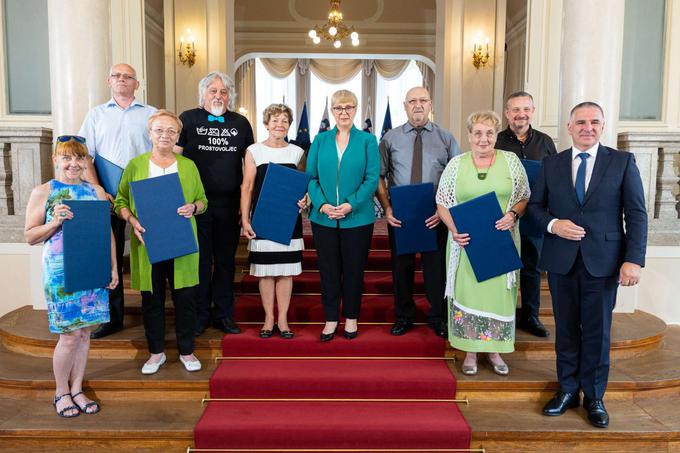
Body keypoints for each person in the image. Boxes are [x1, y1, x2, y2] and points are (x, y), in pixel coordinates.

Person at [528, 102, 647, 428]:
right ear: (569, 127)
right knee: (565, 329)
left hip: (604, 262)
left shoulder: (621, 162)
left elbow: (636, 213)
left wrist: (633, 260)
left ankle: (594, 396)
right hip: (561, 261)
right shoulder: (551, 164)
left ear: (602, 126)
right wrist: (554, 225)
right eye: (580, 122)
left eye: (594, 122)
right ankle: (567, 389)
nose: (587, 127)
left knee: (597, 332)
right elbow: (535, 208)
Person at [24, 136, 118, 417]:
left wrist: (112, 267)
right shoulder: (44, 192)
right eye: (67, 158)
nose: (73, 164)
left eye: (79, 158)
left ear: (86, 162)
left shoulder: (97, 192)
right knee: (68, 336)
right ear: (56, 160)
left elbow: (107, 234)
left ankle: (77, 388)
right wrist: (54, 222)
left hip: (92, 268)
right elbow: (29, 236)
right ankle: (61, 392)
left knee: (85, 333)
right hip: (60, 273)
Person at [436, 111, 530, 376]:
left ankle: (495, 349)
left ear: (496, 135)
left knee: (498, 296)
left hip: (501, 242)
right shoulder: (456, 164)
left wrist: (512, 215)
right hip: (465, 244)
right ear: (469, 136)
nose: (483, 138)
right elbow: (442, 203)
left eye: (489, 133)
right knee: (469, 293)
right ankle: (470, 351)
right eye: (477, 133)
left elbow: (524, 197)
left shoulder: (511, 162)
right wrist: (454, 230)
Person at [115, 110, 208, 374]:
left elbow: (203, 200)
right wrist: (132, 221)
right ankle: (156, 353)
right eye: (159, 130)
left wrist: (194, 207)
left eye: (171, 131)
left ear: (178, 135)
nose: (165, 135)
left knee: (185, 300)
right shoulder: (136, 165)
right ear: (149, 133)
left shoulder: (188, 166)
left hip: (181, 244)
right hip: (148, 245)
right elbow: (120, 201)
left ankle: (187, 351)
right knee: (152, 301)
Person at [79, 63, 157, 339]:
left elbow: (159, 152)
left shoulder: (151, 114)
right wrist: (99, 189)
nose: (122, 80)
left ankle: (153, 310)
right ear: (108, 80)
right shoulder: (96, 114)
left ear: (137, 83)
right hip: (107, 194)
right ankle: (113, 318)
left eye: (128, 77)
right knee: (108, 255)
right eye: (117, 76)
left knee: (150, 251)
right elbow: (84, 154)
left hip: (144, 192)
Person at [376, 86, 461, 338]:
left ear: (430, 104)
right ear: (405, 106)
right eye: (412, 101)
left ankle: (438, 317)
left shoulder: (446, 138)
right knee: (401, 269)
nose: (417, 105)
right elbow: (379, 176)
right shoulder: (390, 138)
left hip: (435, 214)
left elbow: (456, 176)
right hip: (401, 214)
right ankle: (404, 316)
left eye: (423, 100)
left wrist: (443, 209)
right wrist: (387, 207)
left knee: (436, 270)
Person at [176, 72, 254, 336]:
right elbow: (174, 160)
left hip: (229, 205)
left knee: (225, 261)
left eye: (223, 91)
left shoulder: (241, 123)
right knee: (199, 260)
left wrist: (250, 206)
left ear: (230, 95)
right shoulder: (188, 119)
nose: (218, 95)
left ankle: (223, 314)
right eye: (213, 91)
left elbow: (251, 165)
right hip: (196, 205)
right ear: (203, 94)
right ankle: (199, 314)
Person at [307, 89, 379, 341]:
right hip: (323, 218)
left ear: (356, 110)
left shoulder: (368, 141)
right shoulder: (320, 140)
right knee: (328, 270)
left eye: (349, 107)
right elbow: (311, 178)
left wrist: (351, 204)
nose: (344, 112)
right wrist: (322, 205)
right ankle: (329, 319)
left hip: (358, 218)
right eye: (339, 108)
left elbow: (372, 179)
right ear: (332, 111)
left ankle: (350, 318)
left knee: (353, 270)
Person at [240, 104, 306, 339]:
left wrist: (305, 199)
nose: (280, 124)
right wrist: (245, 220)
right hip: (262, 220)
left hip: (288, 220)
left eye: (284, 121)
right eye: (275, 120)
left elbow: (302, 186)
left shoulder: (297, 152)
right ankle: (268, 318)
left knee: (286, 273)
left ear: (289, 125)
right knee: (266, 273)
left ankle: (283, 319)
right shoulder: (254, 151)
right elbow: (247, 187)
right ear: (266, 124)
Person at [496, 91, 557, 338]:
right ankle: (503, 313)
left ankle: (530, 316)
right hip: (503, 214)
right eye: (515, 109)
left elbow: (555, 177)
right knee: (503, 266)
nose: (521, 114)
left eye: (525, 109)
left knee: (532, 266)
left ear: (532, 111)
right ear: (507, 113)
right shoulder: (497, 141)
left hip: (534, 214)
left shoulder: (545, 142)